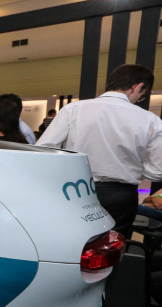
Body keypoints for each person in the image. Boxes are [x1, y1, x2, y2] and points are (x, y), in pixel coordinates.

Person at [38, 64, 161, 233]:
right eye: (141, 96)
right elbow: (157, 171)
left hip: (75, 189)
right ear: (138, 87)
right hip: (121, 196)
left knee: (71, 244)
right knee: (111, 249)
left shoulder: (73, 109)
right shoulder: (150, 120)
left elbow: (42, 151)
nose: (138, 100)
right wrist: (125, 167)